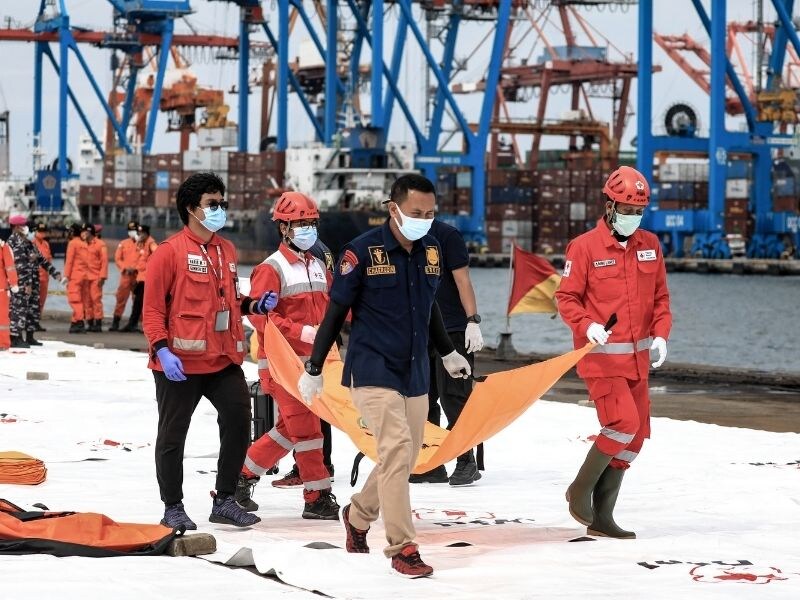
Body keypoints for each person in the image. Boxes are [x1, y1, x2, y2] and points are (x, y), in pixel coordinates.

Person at [298, 174, 471, 578]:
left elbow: (429, 309)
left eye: (431, 214)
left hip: (415, 370)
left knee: (407, 456)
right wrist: (315, 366)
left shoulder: (432, 251)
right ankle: (402, 547)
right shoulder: (360, 252)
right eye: (416, 213)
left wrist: (447, 354)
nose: (424, 220)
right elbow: (335, 313)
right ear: (393, 209)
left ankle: (357, 517)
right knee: (395, 450)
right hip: (373, 368)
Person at [142, 171, 278, 529]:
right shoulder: (168, 254)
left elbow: (229, 300)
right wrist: (162, 350)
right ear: (191, 208)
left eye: (223, 203)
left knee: (237, 424)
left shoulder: (226, 250)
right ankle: (173, 506)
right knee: (173, 436)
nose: (220, 209)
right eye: (212, 204)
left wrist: (255, 306)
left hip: (222, 361)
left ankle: (225, 500)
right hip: (179, 365)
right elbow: (153, 309)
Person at [555, 166, 672, 539]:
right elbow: (566, 297)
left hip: (638, 362)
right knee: (622, 424)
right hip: (601, 360)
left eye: (639, 211)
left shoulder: (650, 244)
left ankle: (602, 518)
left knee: (635, 439)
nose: (632, 218)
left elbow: (661, 298)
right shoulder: (584, 246)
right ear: (609, 205)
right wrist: (586, 323)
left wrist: (662, 335)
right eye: (626, 209)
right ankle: (579, 491)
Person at [236, 192, 339, 520]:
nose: (308, 229)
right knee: (308, 430)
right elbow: (259, 316)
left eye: (312, 222)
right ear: (284, 228)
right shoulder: (271, 268)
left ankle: (239, 479)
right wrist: (303, 332)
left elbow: (333, 309)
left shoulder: (319, 266)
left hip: (313, 365)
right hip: (282, 365)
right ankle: (317, 496)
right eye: (300, 223)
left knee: (287, 430)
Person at [411, 218, 485, 486]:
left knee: (454, 397)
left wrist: (472, 321)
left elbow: (463, 280)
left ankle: (466, 461)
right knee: (423, 398)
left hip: (452, 326)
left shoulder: (447, 235)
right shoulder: (399, 236)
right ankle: (431, 462)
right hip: (420, 328)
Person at [270, 236, 337, 489]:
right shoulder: (323, 250)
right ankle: (322, 465)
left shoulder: (311, 256)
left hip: (305, 352)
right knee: (318, 411)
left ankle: (313, 467)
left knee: (308, 415)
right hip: (323, 345)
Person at [6, 216, 61, 347]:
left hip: (33, 281)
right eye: (24, 226)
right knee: (18, 310)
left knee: (32, 310)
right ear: (16, 227)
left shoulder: (28, 242)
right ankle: (15, 338)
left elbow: (41, 259)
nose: (27, 229)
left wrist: (54, 272)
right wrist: (26, 284)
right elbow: (20, 266)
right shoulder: (15, 242)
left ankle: (29, 336)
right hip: (21, 283)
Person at [123, 224, 158, 333]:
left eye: (142, 233)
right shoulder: (142, 244)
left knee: (140, 303)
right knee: (138, 303)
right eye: (139, 233)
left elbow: (158, 254)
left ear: (146, 233)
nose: (140, 235)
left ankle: (134, 324)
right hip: (141, 278)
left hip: (147, 280)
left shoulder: (151, 244)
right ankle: (133, 323)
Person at [110, 220, 140, 331]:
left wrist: (136, 268)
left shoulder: (143, 243)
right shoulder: (123, 243)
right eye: (130, 230)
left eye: (134, 230)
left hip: (138, 276)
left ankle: (135, 324)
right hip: (126, 275)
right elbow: (118, 258)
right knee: (121, 299)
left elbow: (146, 258)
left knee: (138, 301)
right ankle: (115, 322)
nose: (132, 232)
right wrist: (124, 268)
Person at [63, 223, 89, 334]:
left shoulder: (72, 243)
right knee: (81, 300)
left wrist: (66, 276)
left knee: (74, 300)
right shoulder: (84, 244)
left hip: (75, 276)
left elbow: (69, 261)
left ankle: (79, 322)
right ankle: (74, 323)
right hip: (84, 276)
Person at [83, 223, 108, 332]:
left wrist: (102, 277)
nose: (83, 233)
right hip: (85, 277)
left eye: (85, 231)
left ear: (90, 232)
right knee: (87, 301)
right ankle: (90, 321)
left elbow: (104, 262)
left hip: (96, 277)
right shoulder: (83, 244)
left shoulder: (100, 244)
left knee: (96, 300)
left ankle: (98, 323)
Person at [31, 223, 53, 331]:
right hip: (35, 277)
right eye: (40, 231)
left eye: (44, 231)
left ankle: (37, 322)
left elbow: (49, 260)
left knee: (41, 301)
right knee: (34, 301)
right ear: (35, 231)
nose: (42, 233)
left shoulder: (46, 244)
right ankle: (31, 323)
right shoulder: (32, 243)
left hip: (45, 278)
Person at [0, 236, 19, 351]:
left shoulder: (3, 248)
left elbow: (10, 267)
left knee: (2, 318)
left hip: (1, 290)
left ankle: (3, 343)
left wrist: (13, 283)